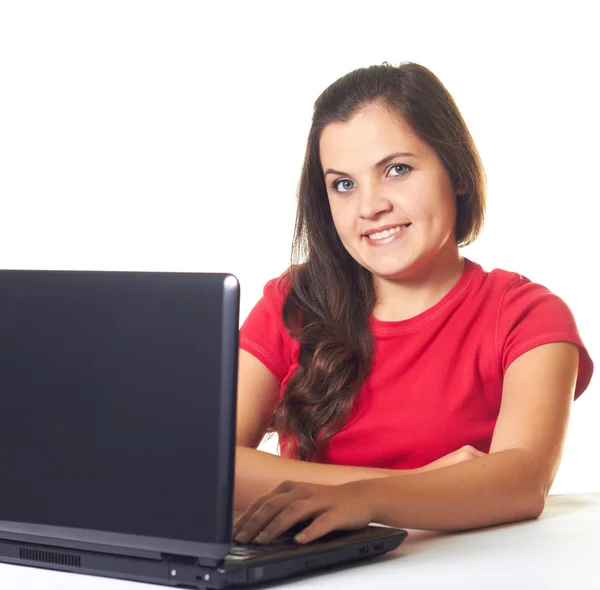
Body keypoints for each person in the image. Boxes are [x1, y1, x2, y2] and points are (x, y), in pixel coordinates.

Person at [231, 62, 594, 546]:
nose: (369, 206)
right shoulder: (292, 302)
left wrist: (367, 500)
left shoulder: (527, 315)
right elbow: (203, 460)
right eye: (343, 184)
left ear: (457, 173)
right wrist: (411, 486)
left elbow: (523, 482)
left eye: (396, 170)